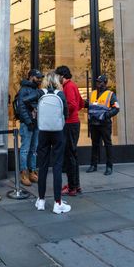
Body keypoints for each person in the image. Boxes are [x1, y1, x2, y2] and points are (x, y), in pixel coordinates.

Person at [35, 71, 71, 214]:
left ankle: (41, 201)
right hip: (57, 132)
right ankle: (57, 202)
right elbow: (66, 112)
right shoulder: (60, 94)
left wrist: (34, 113)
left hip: (43, 132)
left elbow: (25, 100)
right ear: (57, 81)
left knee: (42, 166)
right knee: (57, 166)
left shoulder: (40, 93)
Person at [56, 65, 83, 197]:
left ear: (62, 76)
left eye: (57, 76)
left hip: (70, 124)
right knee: (72, 155)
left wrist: (61, 112)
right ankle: (75, 185)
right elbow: (81, 103)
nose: (57, 79)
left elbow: (72, 104)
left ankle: (72, 187)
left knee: (69, 156)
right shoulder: (72, 86)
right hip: (73, 123)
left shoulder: (69, 86)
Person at [15, 68, 44, 186]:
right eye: (37, 78)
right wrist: (29, 122)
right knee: (25, 149)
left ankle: (32, 171)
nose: (39, 80)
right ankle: (23, 173)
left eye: (40, 78)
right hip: (27, 124)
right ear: (31, 77)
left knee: (34, 149)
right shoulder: (24, 90)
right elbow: (21, 107)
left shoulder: (36, 89)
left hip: (36, 123)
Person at [86, 74, 119, 176]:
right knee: (95, 145)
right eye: (97, 82)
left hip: (104, 124)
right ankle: (93, 165)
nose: (98, 83)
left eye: (100, 82)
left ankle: (109, 166)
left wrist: (106, 115)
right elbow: (87, 104)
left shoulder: (110, 94)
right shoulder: (93, 93)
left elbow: (116, 108)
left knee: (107, 145)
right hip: (94, 124)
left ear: (105, 83)